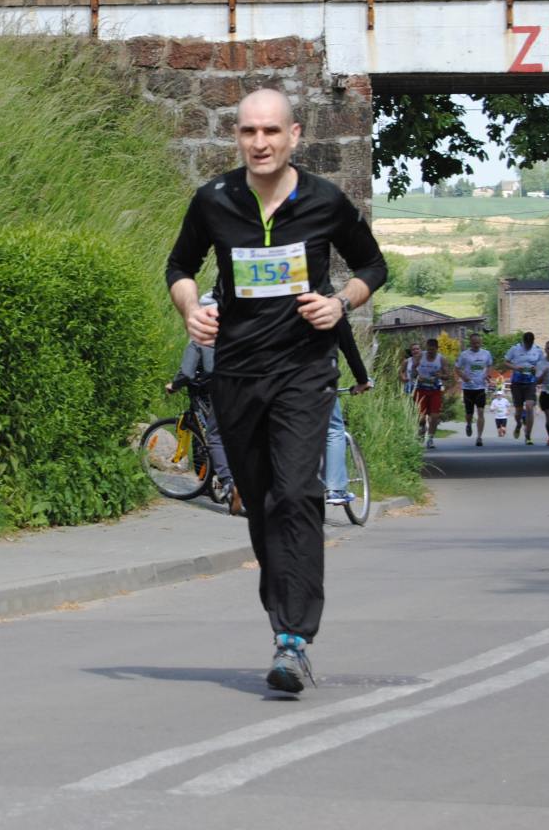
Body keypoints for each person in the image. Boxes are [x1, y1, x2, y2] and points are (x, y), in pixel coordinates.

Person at [166, 87, 387, 696]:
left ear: (294, 136)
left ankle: (293, 638)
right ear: (237, 136)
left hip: (303, 370)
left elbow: (373, 267)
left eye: (270, 131)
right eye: (248, 131)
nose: (259, 143)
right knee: (262, 503)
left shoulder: (324, 200)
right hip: (237, 372)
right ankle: (282, 618)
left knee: (296, 494)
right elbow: (179, 267)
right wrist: (191, 309)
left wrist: (340, 302)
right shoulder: (214, 201)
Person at [173, 292, 241, 515]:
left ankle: (230, 483)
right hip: (247, 389)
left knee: (214, 437)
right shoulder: (237, 333)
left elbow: (186, 372)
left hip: (219, 392)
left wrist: (173, 386)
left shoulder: (200, 340)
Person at [323, 327, 373, 505]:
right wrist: (362, 381)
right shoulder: (332, 313)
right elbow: (351, 350)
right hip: (319, 384)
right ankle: (336, 489)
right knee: (333, 429)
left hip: (277, 384)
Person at [503, 331, 545, 444]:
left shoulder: (538, 350)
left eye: (530, 343)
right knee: (518, 411)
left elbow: (542, 365)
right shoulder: (515, 349)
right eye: (527, 344)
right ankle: (519, 424)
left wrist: (536, 369)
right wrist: (516, 368)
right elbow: (505, 362)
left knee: (530, 407)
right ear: (523, 341)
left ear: (533, 341)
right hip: (517, 383)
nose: (528, 346)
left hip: (530, 382)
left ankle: (528, 435)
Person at [455, 331, 494, 446]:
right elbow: (457, 368)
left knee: (481, 411)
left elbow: (490, 365)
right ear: (470, 343)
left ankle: (479, 437)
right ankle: (468, 424)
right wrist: (464, 377)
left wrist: (487, 374)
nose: (476, 345)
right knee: (469, 413)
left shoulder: (486, 354)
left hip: (481, 387)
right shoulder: (464, 355)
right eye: (474, 343)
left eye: (478, 343)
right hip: (468, 388)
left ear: (481, 342)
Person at [412, 337, 451, 448]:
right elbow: (413, 369)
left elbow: (447, 376)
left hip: (435, 390)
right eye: (428, 349)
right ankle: (422, 427)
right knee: (421, 416)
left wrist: (440, 375)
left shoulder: (441, 359)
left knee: (434, 416)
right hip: (421, 389)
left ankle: (430, 438)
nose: (430, 352)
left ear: (437, 349)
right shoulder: (420, 356)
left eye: (432, 350)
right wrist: (417, 376)